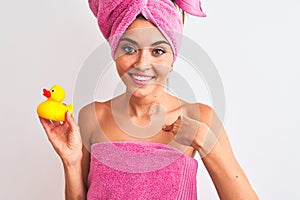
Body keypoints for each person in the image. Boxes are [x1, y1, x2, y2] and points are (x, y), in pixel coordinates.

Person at [39, 0, 259, 199]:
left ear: (173, 57)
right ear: (115, 52)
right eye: (129, 48)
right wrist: (71, 161)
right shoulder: (93, 116)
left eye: (158, 51)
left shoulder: (200, 117)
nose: (142, 63)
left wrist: (204, 140)